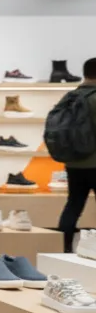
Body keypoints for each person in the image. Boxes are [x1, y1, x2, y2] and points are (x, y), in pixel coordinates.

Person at [58, 58, 96, 251]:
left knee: (73, 205)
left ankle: (63, 248)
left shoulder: (70, 96)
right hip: (94, 162)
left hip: (73, 163)